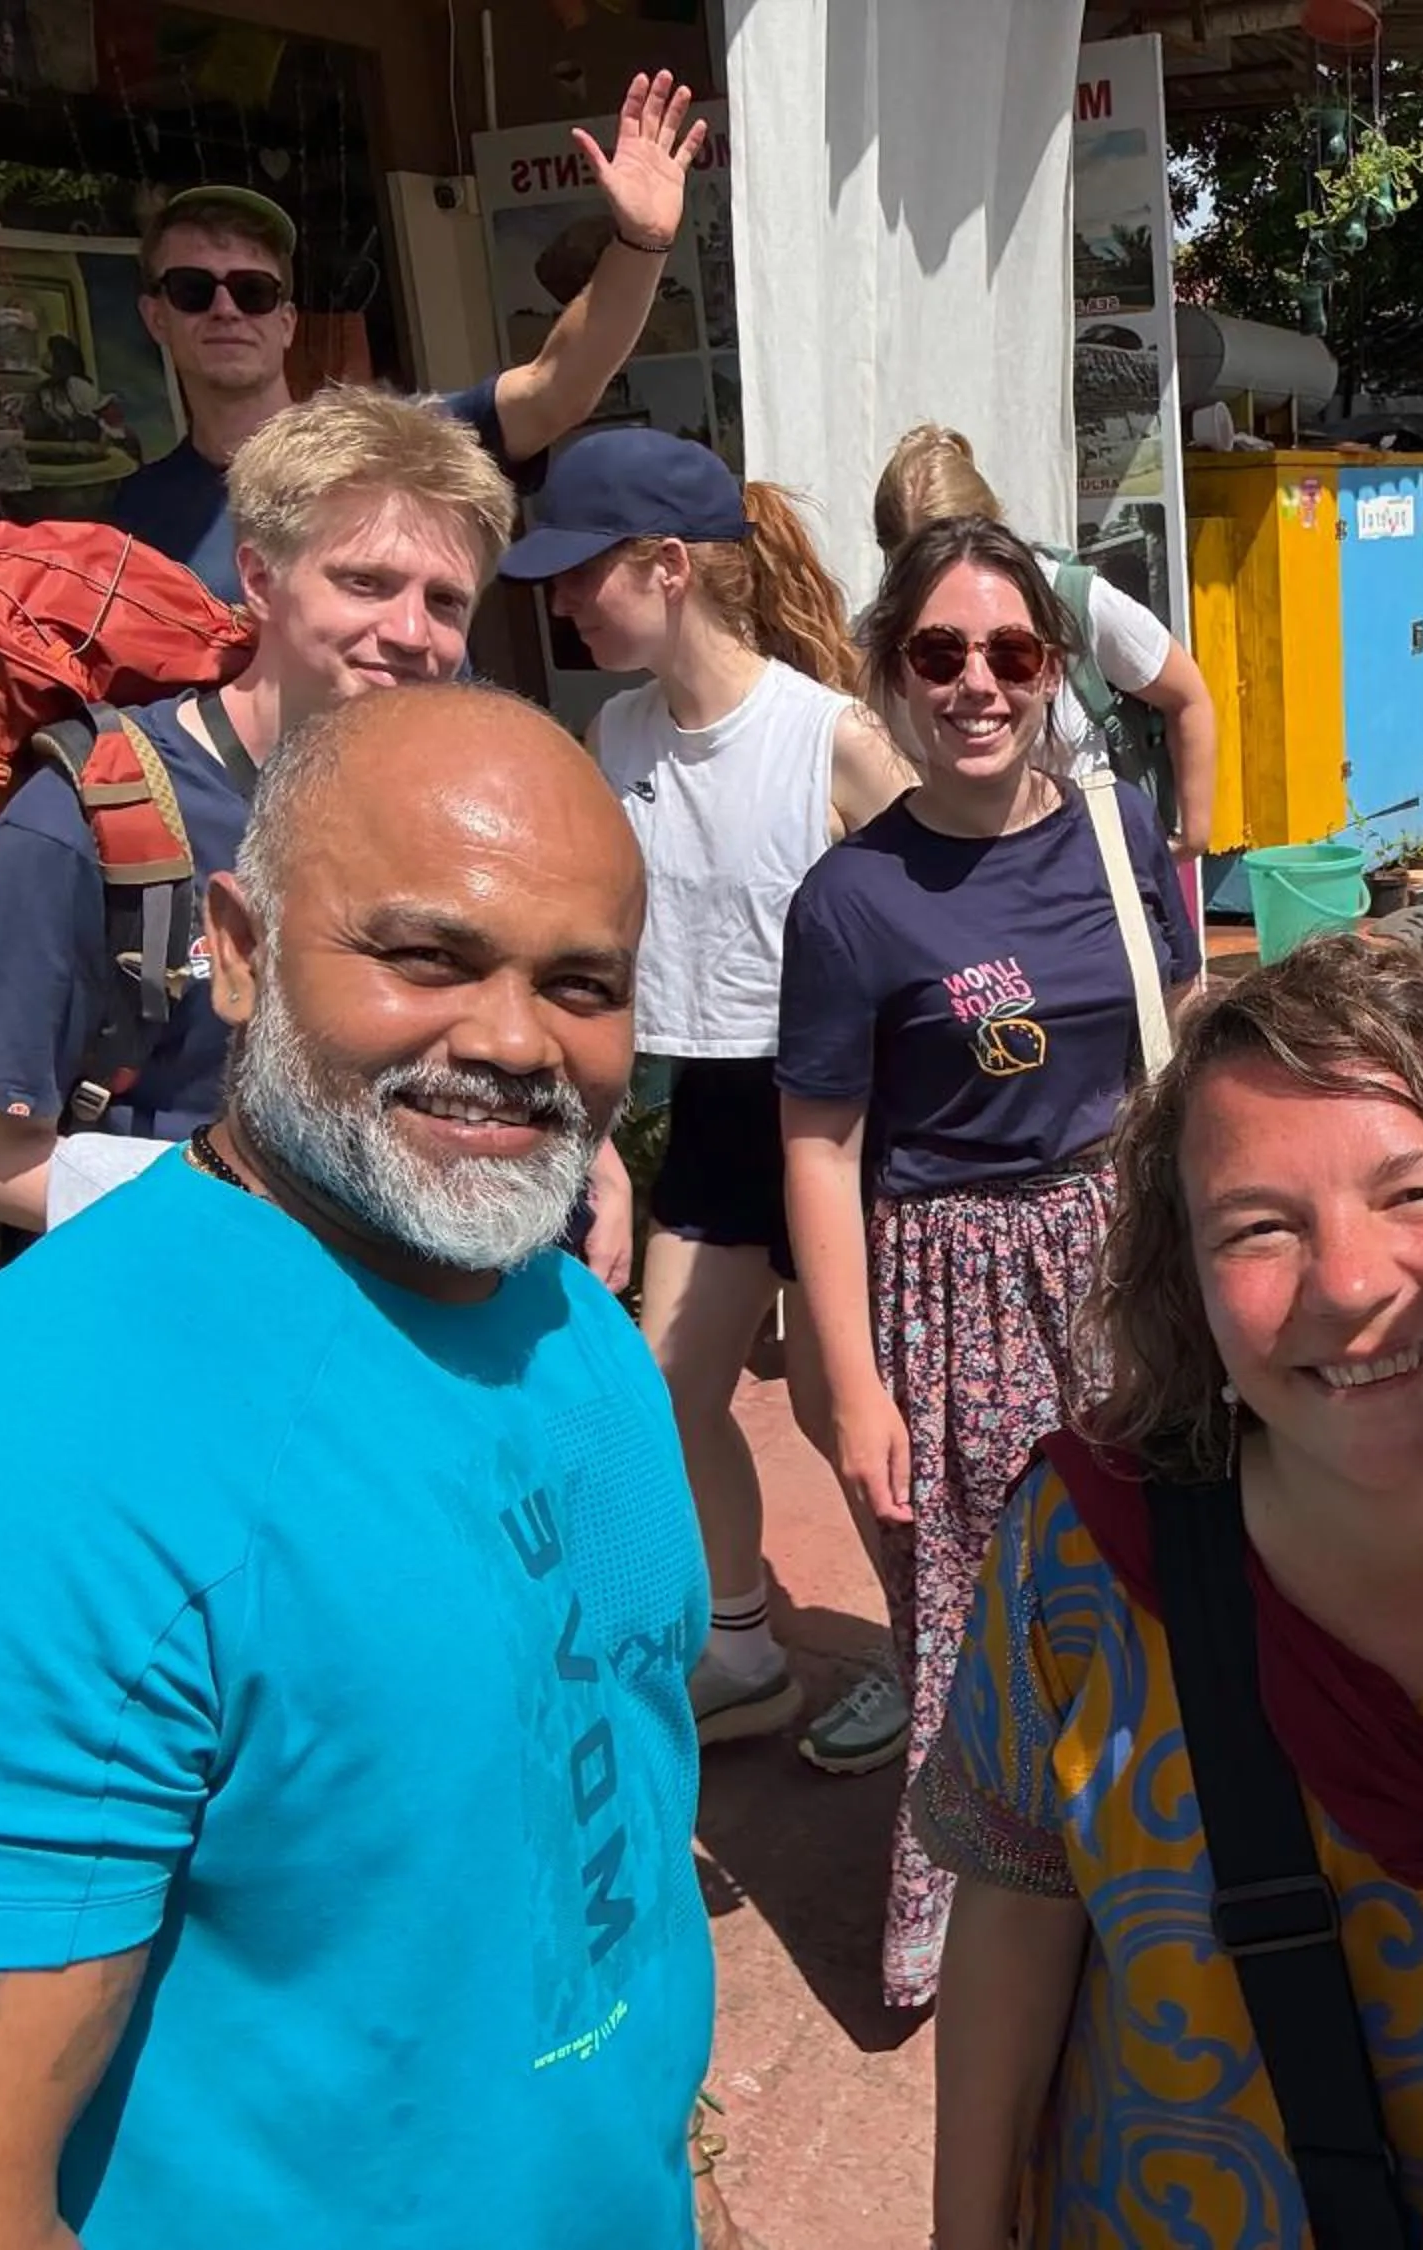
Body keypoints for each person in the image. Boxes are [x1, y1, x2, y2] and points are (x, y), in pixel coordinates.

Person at [0, 682, 715, 2250]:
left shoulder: (545, 1301)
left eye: (581, 981)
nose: (516, 1041)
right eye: (427, 954)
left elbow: (588, 1868)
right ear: (239, 951)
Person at [920, 935, 1423, 2243]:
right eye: (1260, 1227)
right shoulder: (1086, 1553)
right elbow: (1015, 1914)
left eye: (1415, 1194)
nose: (1349, 1285)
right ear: (1186, 1282)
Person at [779, 513, 1198, 2007]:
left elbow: (1176, 1032)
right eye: (941, 653)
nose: (978, 683)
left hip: (1123, 1251)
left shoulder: (1118, 831)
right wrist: (851, 1383)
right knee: (973, 1618)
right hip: (947, 1291)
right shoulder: (850, 899)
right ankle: (982, 1944)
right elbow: (820, 1145)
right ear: (894, 671)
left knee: (1162, 1582)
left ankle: (1143, 1881)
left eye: (1012, 651)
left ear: (1053, 670)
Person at [494, 426, 916, 1772]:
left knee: (844, 1409)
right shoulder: (608, 735)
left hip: (852, 1115)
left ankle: (935, 1657)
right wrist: (591, 1133)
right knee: (670, 1382)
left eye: (581, 573)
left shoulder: (829, 736)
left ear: (668, 567)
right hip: (720, 1109)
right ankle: (742, 1646)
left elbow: (938, 933)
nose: (560, 602)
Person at [0, 384, 517, 1241]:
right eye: (366, 582)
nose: (410, 632)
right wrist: (271, 1229)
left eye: (445, 601)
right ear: (259, 578)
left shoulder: (442, 801)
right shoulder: (85, 823)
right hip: (178, 1301)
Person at [112, 72, 702, 601]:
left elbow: (557, 387)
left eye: (253, 291)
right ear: (154, 315)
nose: (225, 309)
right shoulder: (134, 518)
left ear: (286, 321)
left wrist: (641, 243)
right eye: (193, 288)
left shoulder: (400, 445)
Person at [870, 423, 1217, 857]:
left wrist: (1192, 837)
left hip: (1085, 860)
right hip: (944, 875)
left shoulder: (1073, 600)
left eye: (1012, 654)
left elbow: (1187, 695)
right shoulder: (879, 635)